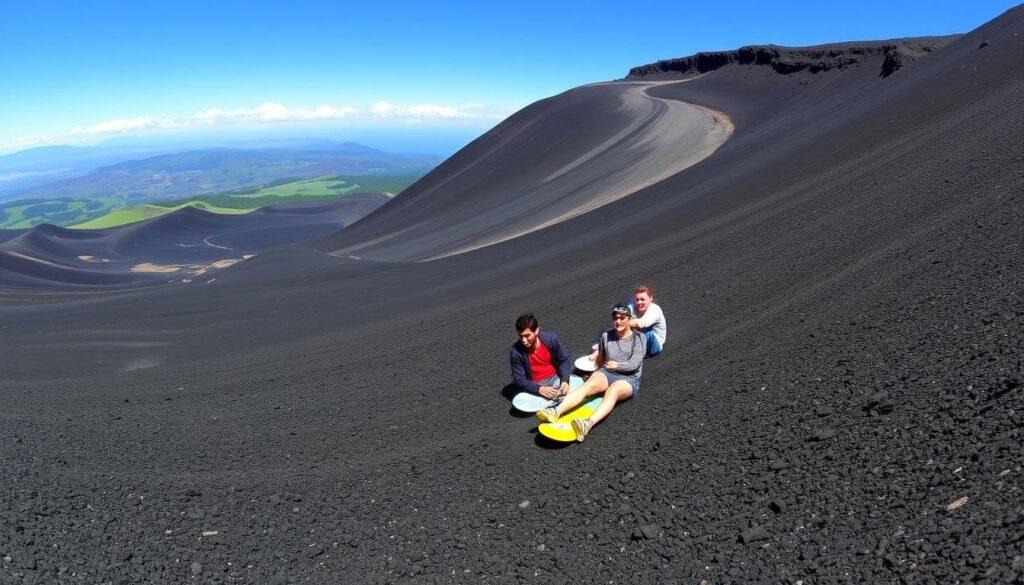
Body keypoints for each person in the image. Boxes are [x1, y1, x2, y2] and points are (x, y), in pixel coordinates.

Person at [537, 303, 646, 441]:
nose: (618, 321)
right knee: (588, 385)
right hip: (607, 372)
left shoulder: (639, 338)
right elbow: (600, 359)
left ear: (629, 319)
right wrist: (594, 373)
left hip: (629, 378)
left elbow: (635, 364)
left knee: (613, 390)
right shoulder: (606, 335)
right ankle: (555, 411)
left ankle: (586, 425)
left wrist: (618, 365)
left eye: (622, 318)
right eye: (615, 318)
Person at [510, 313, 572, 400]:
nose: (524, 340)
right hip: (534, 386)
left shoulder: (551, 339)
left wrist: (565, 381)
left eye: (527, 336)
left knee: (576, 390)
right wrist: (539, 388)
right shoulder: (516, 352)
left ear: (536, 331)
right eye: (521, 336)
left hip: (555, 379)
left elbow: (563, 361)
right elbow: (520, 379)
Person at [628, 284, 666, 357]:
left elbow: (640, 324)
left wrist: (623, 323)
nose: (639, 302)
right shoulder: (633, 305)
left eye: (642, 299)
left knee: (645, 331)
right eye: (637, 300)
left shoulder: (655, 310)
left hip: (654, 346)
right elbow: (622, 314)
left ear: (651, 298)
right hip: (638, 341)